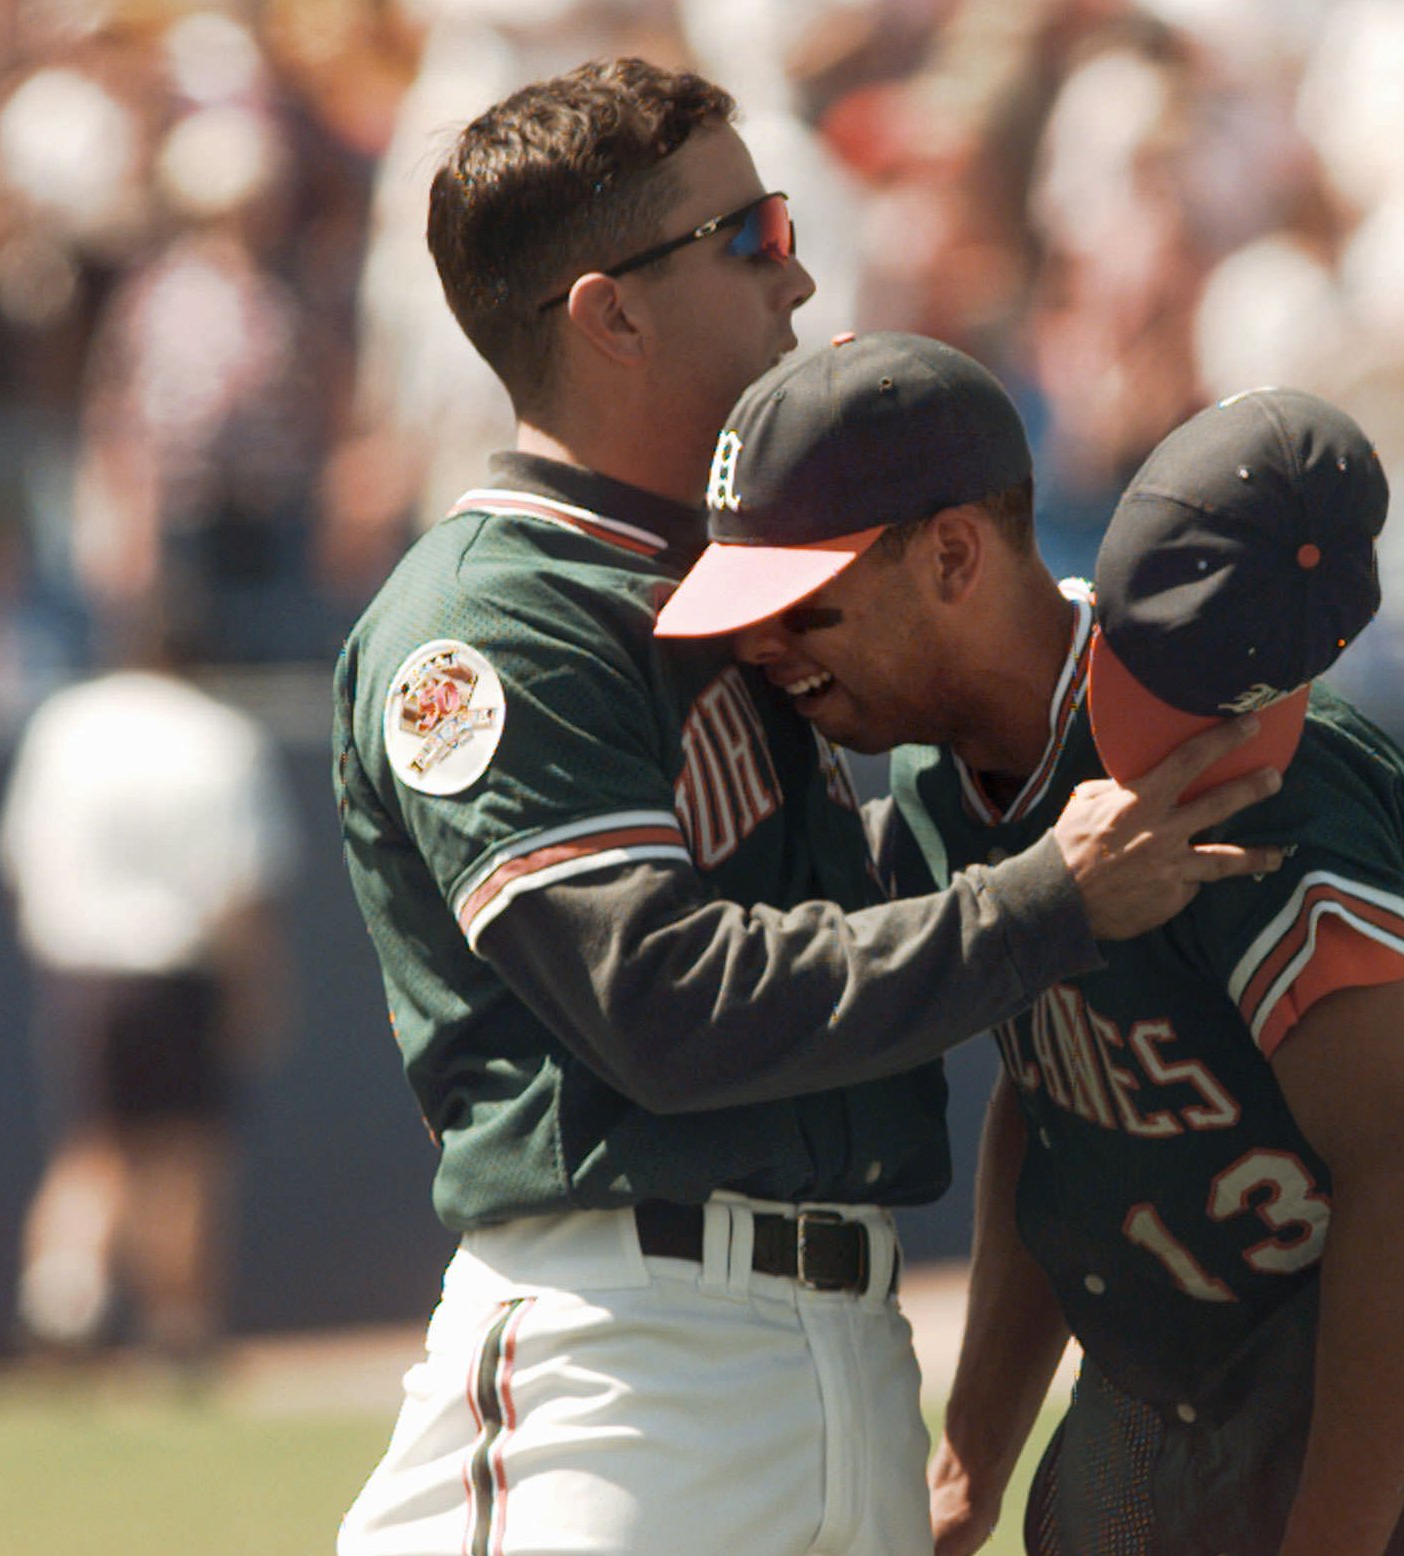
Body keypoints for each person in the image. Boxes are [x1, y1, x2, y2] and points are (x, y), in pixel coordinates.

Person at [330, 60, 1285, 1556]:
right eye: (752, 235)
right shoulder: (491, 618)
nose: (801, 275)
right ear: (611, 315)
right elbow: (657, 999)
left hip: (835, 1340)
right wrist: (1046, 896)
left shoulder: (744, 585)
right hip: (625, 1361)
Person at [653, 336, 1404, 1555]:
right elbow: (1056, 1110)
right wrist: (972, 1459)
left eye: (802, 603)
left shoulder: (1230, 766)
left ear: (951, 553)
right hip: (1252, 1385)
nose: (761, 644)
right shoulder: (943, 784)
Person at [0, 602, 298, 1370]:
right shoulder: (221, 737)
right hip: (177, 971)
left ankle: (62, 1297)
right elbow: (242, 886)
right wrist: (256, 992)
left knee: (93, 1144)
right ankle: (179, 1331)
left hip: (80, 970)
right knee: (183, 1157)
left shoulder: (66, 724)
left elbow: (22, 857)